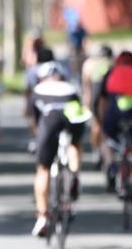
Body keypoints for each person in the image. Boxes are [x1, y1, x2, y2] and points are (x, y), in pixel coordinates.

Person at [30, 61, 92, 237]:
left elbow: (34, 121)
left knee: (42, 169)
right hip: (72, 117)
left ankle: (42, 216)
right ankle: (74, 174)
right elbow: (80, 109)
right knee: (74, 144)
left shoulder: (38, 89)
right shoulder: (69, 87)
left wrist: (39, 141)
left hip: (49, 120)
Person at [98, 51, 132, 210]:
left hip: (115, 112)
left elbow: (102, 101)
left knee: (105, 140)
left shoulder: (111, 72)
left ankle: (110, 165)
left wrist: (102, 122)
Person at [81, 44, 113, 168]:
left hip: (96, 94)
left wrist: (86, 104)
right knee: (109, 126)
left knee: (96, 124)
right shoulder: (113, 63)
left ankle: (96, 152)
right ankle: (108, 154)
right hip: (109, 97)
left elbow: (86, 87)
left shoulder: (89, 64)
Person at [24, 47, 58, 152]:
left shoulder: (32, 71)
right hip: (57, 99)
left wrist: (27, 106)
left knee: (33, 118)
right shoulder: (59, 68)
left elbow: (28, 90)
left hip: (38, 99)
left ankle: (35, 139)